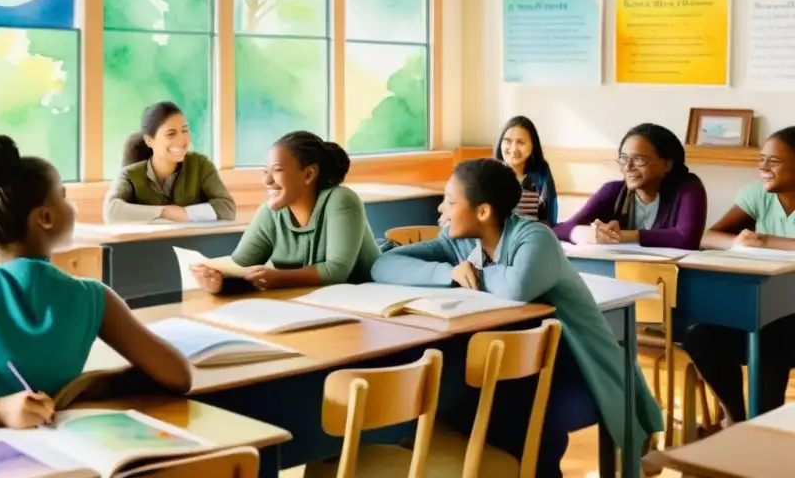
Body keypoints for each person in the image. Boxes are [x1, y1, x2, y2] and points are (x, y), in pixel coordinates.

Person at [0, 135, 192, 430]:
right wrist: (97, 383)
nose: (73, 206)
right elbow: (178, 376)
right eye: (64, 197)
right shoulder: (94, 299)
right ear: (45, 217)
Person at [371, 159, 662, 477]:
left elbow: (518, 286)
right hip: (524, 368)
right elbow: (384, 264)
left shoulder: (535, 237)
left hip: (580, 368)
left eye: (451, 202)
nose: (441, 209)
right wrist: (449, 271)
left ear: (482, 212)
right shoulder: (460, 242)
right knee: (470, 400)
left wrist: (475, 273)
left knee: (518, 414)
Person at [686, 126, 795, 424]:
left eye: (774, 161)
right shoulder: (757, 195)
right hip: (768, 309)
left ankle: (764, 428)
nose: (763, 168)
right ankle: (736, 419)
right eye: (761, 159)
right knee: (702, 336)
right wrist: (738, 242)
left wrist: (765, 241)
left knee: (770, 335)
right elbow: (708, 237)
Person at [190, 131, 379, 293]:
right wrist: (216, 279)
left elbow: (336, 271)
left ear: (308, 175)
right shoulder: (269, 212)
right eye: (265, 172)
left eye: (277, 170)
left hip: (370, 300)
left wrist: (279, 278)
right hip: (312, 303)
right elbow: (242, 265)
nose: (267, 181)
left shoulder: (341, 200)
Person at [554, 123, 706, 249]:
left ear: (667, 164)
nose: (628, 167)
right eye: (624, 159)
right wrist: (590, 233)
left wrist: (621, 235)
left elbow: (686, 239)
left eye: (639, 159)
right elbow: (559, 230)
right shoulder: (612, 191)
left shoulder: (689, 190)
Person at [103, 101, 235, 224]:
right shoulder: (129, 175)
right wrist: (163, 212)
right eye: (171, 134)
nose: (182, 140)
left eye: (184, 130)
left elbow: (227, 208)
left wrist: (186, 214)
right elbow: (111, 210)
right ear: (149, 140)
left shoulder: (201, 165)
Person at [494, 115, 558, 225]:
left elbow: (548, 216)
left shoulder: (541, 173)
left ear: (533, 145)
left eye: (521, 143)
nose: (513, 149)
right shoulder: (491, 173)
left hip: (531, 236)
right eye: (508, 141)